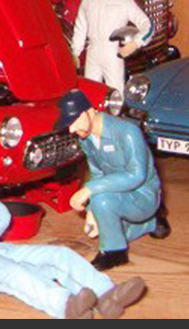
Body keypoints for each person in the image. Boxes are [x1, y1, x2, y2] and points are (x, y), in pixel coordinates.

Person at [0, 167, 147, 319]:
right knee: (16, 274)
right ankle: (66, 306)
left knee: (58, 255)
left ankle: (107, 296)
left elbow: (0, 217)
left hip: (6, 251)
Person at [54, 89, 169, 271]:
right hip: (119, 195)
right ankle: (152, 223)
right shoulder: (87, 139)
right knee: (112, 229)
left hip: (142, 195)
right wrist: (91, 211)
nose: (71, 129)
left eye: (74, 121)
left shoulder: (127, 132)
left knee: (103, 202)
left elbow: (136, 175)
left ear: (90, 111)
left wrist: (89, 191)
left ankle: (114, 253)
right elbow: (97, 173)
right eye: (68, 124)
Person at [70, 0, 152, 94]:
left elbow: (147, 26)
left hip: (112, 53)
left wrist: (135, 43)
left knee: (116, 93)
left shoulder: (124, 1)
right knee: (90, 92)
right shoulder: (89, 0)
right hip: (93, 52)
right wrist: (75, 53)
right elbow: (80, 28)